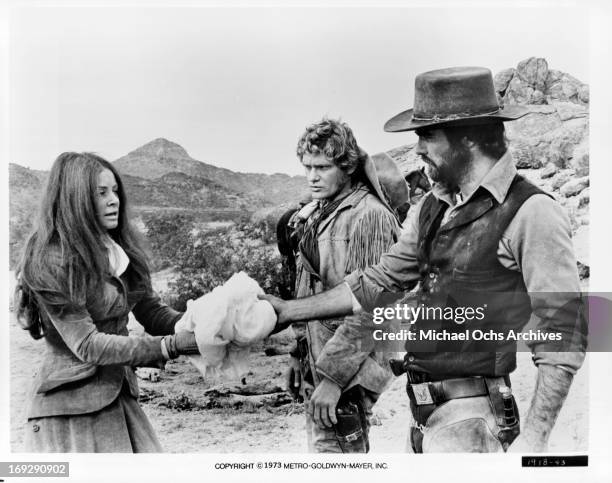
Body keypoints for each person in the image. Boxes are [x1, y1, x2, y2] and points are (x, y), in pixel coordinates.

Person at [261, 67, 587, 453]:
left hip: (474, 419)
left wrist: (533, 442)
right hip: (424, 420)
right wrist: (288, 311)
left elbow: (564, 334)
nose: (417, 149)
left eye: (426, 135)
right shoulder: (433, 207)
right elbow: (379, 282)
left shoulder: (532, 212)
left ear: (468, 138)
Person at [15, 152, 200, 453]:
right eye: (101, 193)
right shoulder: (52, 259)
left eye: (114, 191)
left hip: (118, 397)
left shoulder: (117, 250)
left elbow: (149, 310)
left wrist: (197, 322)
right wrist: (168, 346)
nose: (114, 200)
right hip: (71, 409)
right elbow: (86, 344)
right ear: (75, 199)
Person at [279, 118, 408, 452]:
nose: (312, 176)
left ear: (347, 166)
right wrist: (299, 353)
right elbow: (307, 288)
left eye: (322, 167)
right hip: (320, 359)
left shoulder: (369, 215)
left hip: (349, 371)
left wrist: (334, 379)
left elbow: (374, 304)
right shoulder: (321, 210)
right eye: (307, 167)